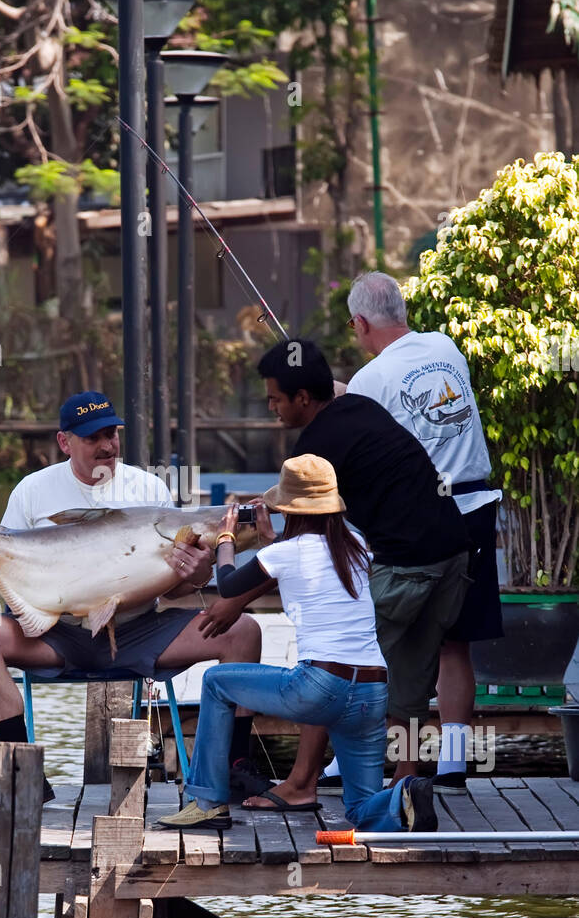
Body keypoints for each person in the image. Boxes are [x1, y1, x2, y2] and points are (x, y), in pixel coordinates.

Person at [0, 390, 262, 799]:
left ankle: (234, 767)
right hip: (56, 634)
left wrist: (199, 573)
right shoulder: (32, 491)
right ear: (65, 442)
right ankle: (22, 771)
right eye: (92, 438)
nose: (106, 446)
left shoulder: (148, 489)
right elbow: (10, 581)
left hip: (140, 630)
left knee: (245, 632)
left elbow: (173, 589)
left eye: (111, 434)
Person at [156, 455, 436, 833]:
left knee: (216, 683)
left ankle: (206, 803)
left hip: (319, 687)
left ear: (288, 508)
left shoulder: (283, 554)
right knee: (359, 808)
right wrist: (272, 541)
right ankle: (404, 797)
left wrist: (226, 538)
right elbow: (306, 561)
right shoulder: (354, 544)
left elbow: (227, 585)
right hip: (372, 690)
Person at [253, 340, 472, 808]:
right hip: (453, 552)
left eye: (275, 398)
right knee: (412, 672)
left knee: (335, 658)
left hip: (409, 565)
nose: (270, 406)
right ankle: (408, 779)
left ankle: (302, 782)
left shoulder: (314, 448)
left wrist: (260, 541)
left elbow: (301, 545)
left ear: (303, 399)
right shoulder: (357, 406)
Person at [334, 270, 503, 793]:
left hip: (424, 520)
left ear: (360, 323)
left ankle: (358, 760)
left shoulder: (369, 381)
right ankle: (452, 762)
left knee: (386, 642)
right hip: (477, 506)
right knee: (455, 642)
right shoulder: (445, 346)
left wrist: (338, 397)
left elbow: (365, 427)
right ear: (402, 311)